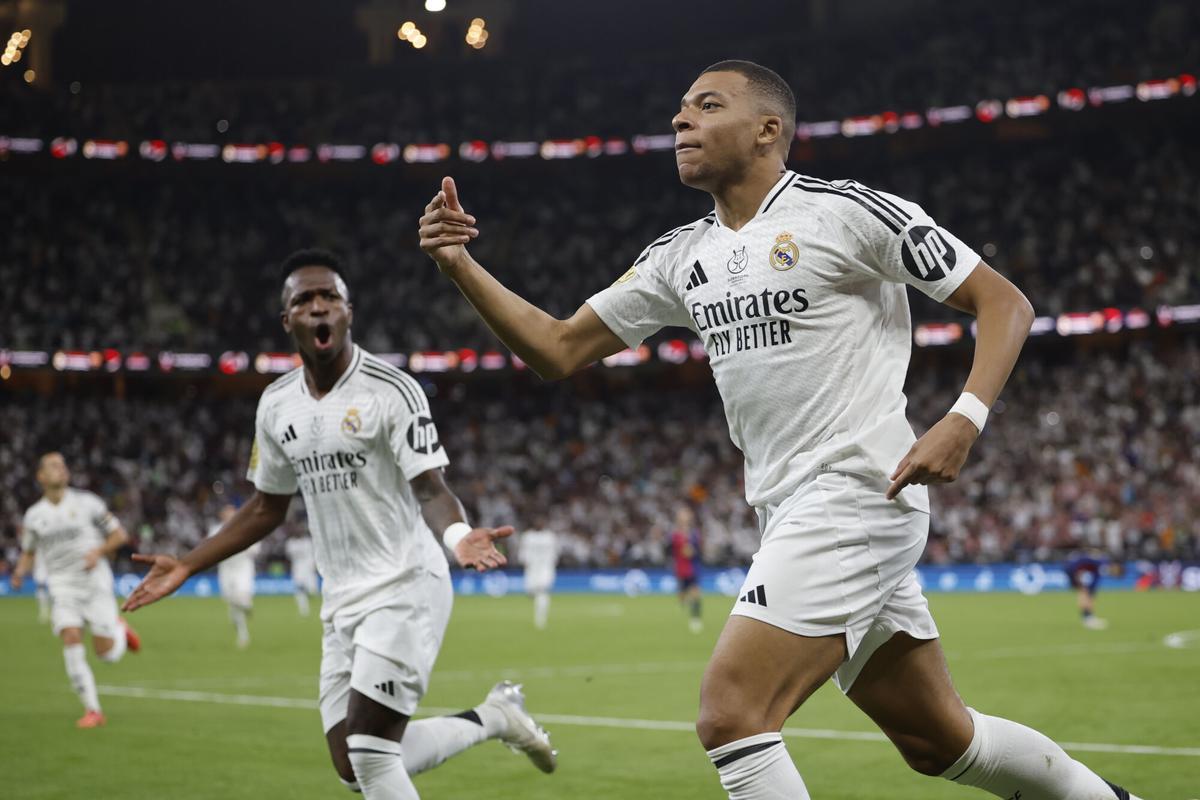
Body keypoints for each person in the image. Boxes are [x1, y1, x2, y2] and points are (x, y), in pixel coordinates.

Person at [419, 60, 1141, 800]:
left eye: (706, 105)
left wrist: (964, 418)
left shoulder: (849, 214)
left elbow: (1005, 303)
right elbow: (558, 348)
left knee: (732, 714)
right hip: (787, 509)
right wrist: (459, 266)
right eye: (679, 108)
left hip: (856, 493)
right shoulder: (680, 256)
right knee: (938, 738)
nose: (679, 121)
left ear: (769, 130)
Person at [123, 250, 556, 799]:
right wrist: (187, 563)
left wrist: (456, 536)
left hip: (404, 584)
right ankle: (495, 717)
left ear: (349, 312)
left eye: (329, 297)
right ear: (288, 321)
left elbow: (431, 487)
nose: (318, 307)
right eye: (304, 300)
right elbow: (265, 507)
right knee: (352, 765)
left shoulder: (392, 391)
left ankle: (496, 717)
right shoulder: (276, 405)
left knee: (372, 756)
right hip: (342, 599)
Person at [10, 452, 141, 728]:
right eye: (53, 466)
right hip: (62, 586)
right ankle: (93, 710)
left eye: (63, 465)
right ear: (41, 477)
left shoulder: (88, 503)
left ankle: (119, 630)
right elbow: (29, 551)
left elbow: (120, 536)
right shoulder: (34, 516)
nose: (61, 469)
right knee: (70, 635)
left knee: (106, 655)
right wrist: (19, 573)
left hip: (94, 583)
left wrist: (100, 551)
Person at [210, 502, 260, 647]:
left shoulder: (246, 528)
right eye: (226, 514)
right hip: (226, 570)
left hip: (243, 567)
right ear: (222, 516)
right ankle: (242, 634)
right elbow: (209, 548)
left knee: (242, 596)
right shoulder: (216, 530)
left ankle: (247, 605)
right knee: (232, 604)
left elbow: (255, 549)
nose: (229, 517)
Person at [519, 520, 559, 630]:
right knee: (531, 593)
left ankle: (540, 620)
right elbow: (523, 554)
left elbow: (555, 553)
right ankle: (539, 614)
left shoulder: (549, 536)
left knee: (542, 592)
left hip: (545, 569)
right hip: (532, 569)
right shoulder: (528, 536)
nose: (539, 524)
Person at [670, 506, 704, 633]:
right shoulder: (675, 535)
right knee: (682, 595)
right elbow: (680, 551)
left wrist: (692, 550)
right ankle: (682, 606)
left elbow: (696, 549)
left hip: (693, 568)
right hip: (681, 569)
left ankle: (695, 619)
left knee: (696, 593)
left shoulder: (694, 533)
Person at [1063, 552, 1109, 630]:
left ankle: (1088, 617)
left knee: (1086, 592)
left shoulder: (1101, 563)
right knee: (1084, 592)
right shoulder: (1102, 564)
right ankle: (1088, 618)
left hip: (1073, 567)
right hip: (1072, 569)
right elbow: (1077, 565)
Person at [285, 530, 319, 617]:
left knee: (312, 591)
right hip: (297, 570)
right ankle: (304, 610)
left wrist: (314, 565)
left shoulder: (308, 542)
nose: (298, 532)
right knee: (299, 590)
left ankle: (315, 607)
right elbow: (289, 556)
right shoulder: (291, 543)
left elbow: (314, 554)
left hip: (309, 570)